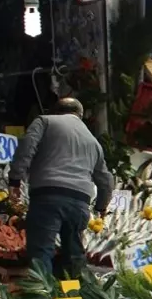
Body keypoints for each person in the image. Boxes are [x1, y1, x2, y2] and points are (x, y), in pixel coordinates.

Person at [9, 98, 114, 277]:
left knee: (42, 251)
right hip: (80, 203)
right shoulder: (93, 142)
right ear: (80, 115)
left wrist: (15, 180)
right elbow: (106, 180)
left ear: (55, 111)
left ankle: (41, 297)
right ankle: (74, 296)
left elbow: (26, 147)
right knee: (73, 253)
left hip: (47, 196)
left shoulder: (45, 121)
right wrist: (101, 207)